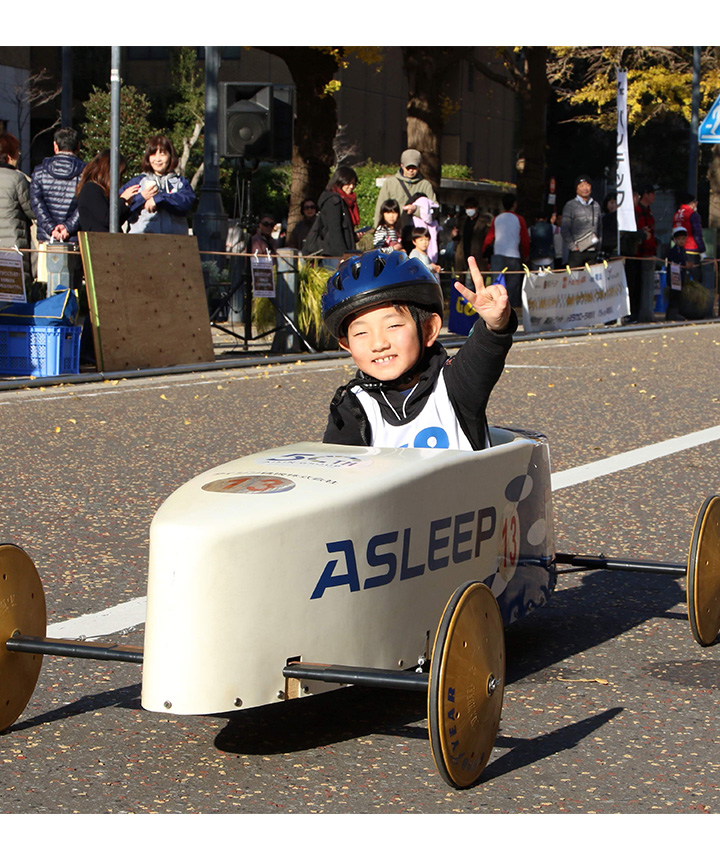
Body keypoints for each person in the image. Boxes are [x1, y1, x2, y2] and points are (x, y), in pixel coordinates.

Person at [321, 249, 516, 451]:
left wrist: (495, 325)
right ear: (346, 345)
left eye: (393, 326)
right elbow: (337, 471)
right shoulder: (353, 405)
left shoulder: (453, 384)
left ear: (429, 329)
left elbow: (483, 354)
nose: (378, 344)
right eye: (361, 333)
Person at [120, 136, 195, 235]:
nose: (157, 159)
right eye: (153, 154)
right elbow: (120, 208)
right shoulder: (137, 182)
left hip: (175, 244)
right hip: (140, 242)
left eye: (162, 154)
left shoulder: (181, 183)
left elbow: (187, 203)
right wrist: (141, 197)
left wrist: (160, 198)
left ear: (170, 156)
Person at [30, 127, 85, 244]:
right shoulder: (86, 173)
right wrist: (68, 227)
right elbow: (85, 204)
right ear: (78, 146)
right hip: (74, 238)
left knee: (45, 262)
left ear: (55, 146)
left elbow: (36, 204)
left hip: (46, 237)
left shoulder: (40, 171)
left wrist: (51, 228)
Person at [482, 193, 530, 306]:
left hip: (498, 255)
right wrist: (526, 255)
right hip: (514, 255)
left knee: (497, 285)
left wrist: (484, 253)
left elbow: (489, 238)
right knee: (512, 286)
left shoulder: (496, 219)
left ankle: (496, 307)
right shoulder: (519, 219)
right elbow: (525, 240)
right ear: (514, 204)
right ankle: (511, 309)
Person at [0, 132, 35, 286]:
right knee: (12, 295)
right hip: (12, 247)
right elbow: (32, 210)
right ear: (9, 155)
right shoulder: (17, 179)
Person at [76, 150, 140, 232]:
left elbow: (116, 222)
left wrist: (126, 204)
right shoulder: (91, 189)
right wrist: (122, 199)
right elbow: (107, 219)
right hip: (98, 240)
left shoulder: (102, 191)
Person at [373, 149, 437, 227]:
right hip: (394, 230)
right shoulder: (390, 183)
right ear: (402, 166)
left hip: (417, 233)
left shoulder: (425, 185)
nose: (411, 170)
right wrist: (377, 230)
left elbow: (434, 210)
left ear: (419, 167)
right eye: (408, 167)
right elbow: (380, 209)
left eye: (414, 167)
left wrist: (416, 210)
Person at [316, 166, 362, 260]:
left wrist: (354, 237)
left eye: (353, 184)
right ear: (340, 181)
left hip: (345, 253)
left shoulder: (345, 201)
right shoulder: (334, 201)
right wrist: (342, 256)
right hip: (335, 255)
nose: (351, 187)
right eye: (348, 183)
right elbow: (334, 231)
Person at [561, 175, 602, 269]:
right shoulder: (570, 205)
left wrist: (598, 245)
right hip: (577, 252)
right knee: (575, 281)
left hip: (593, 251)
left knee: (592, 281)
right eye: (581, 185)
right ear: (576, 189)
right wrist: (573, 247)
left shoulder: (596, 205)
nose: (585, 188)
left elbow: (600, 227)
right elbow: (565, 229)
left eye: (587, 185)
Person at [673, 193, 706, 281]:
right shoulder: (693, 215)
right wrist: (702, 251)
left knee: (681, 278)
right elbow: (697, 234)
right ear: (691, 203)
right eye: (695, 202)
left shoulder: (676, 214)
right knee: (696, 279)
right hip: (691, 249)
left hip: (679, 249)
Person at [454, 197, 489, 274]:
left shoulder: (483, 221)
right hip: (462, 254)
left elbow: (487, 238)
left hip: (477, 254)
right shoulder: (462, 220)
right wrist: (454, 234)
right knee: (460, 278)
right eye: (467, 208)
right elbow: (456, 237)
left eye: (471, 207)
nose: (469, 210)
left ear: (476, 208)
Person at [665, 227, 687, 322]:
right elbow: (675, 262)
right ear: (675, 240)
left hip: (680, 275)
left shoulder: (682, 250)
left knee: (677, 294)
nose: (681, 241)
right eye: (679, 239)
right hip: (674, 275)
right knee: (673, 294)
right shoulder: (674, 251)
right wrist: (684, 265)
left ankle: (676, 311)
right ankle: (672, 313)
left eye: (683, 239)